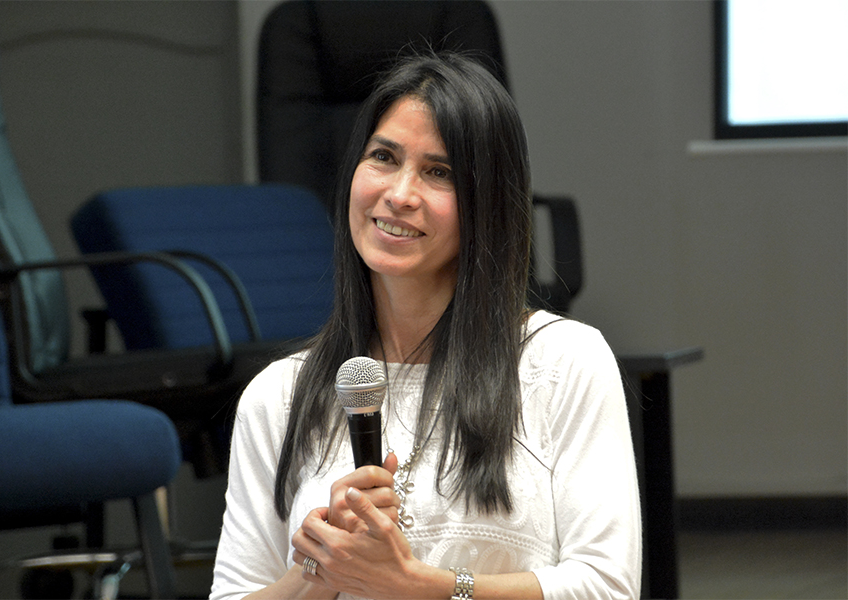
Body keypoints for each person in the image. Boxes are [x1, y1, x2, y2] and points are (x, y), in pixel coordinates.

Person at [211, 51, 641, 600]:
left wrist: (421, 586)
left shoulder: (563, 362)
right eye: (383, 157)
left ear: (487, 202)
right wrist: (322, 565)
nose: (399, 194)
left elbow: (606, 588)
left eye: (439, 173)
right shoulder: (280, 394)